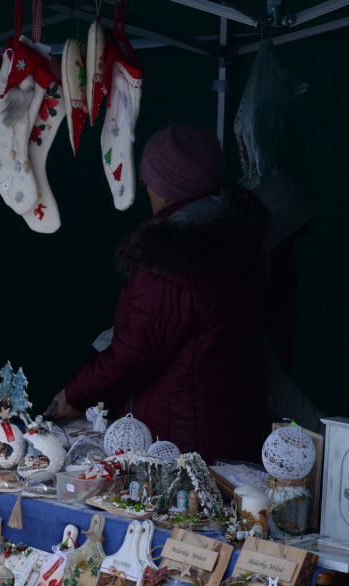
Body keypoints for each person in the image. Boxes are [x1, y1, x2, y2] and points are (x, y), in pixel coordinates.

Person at [46, 124, 269, 464]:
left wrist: (74, 394)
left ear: (167, 189)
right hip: (231, 433)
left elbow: (133, 355)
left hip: (182, 445)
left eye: (149, 179)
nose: (146, 187)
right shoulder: (237, 240)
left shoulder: (170, 260)